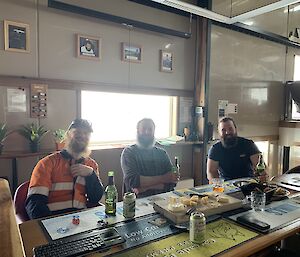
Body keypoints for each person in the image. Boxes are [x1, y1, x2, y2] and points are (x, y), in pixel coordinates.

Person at [25, 119, 104, 219]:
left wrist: (91, 175)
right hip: (53, 220)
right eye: (77, 132)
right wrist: (49, 226)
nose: (82, 136)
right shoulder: (47, 163)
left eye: (86, 133)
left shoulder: (91, 165)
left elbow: (95, 198)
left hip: (81, 220)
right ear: (68, 135)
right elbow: (35, 203)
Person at [121, 118, 179, 198]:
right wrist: (164, 178)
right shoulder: (129, 152)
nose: (147, 132)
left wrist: (145, 187)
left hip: (163, 199)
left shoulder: (162, 153)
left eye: (150, 129)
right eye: (144, 129)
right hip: (136, 202)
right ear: (138, 131)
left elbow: (172, 182)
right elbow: (133, 181)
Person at [207, 117, 262, 182]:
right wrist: (217, 184)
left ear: (235, 129)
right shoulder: (215, 149)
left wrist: (262, 176)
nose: (227, 132)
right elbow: (211, 172)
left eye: (230, 129)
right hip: (226, 184)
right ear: (219, 132)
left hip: (248, 182)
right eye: (223, 130)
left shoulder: (248, 144)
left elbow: (260, 166)